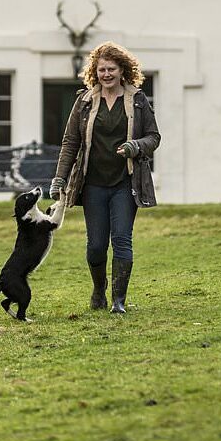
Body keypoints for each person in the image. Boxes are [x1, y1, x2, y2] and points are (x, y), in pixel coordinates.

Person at [50, 41, 160, 314]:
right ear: (94, 72)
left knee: (122, 239)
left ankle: (118, 301)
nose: (106, 74)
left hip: (126, 182)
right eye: (101, 70)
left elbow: (154, 137)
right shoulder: (85, 101)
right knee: (96, 245)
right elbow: (70, 142)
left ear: (123, 71)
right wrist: (59, 179)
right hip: (93, 184)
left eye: (112, 69)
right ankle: (98, 290)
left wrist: (136, 146)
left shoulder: (137, 100)